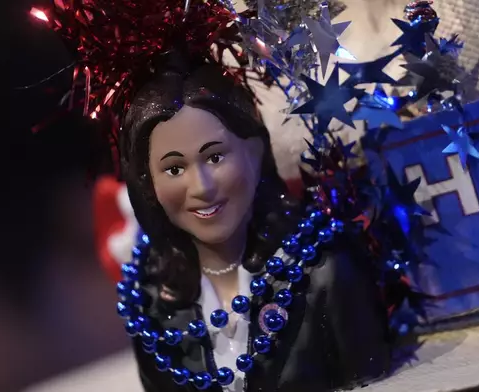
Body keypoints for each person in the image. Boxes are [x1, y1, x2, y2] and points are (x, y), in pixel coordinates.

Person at [117, 50, 391, 392]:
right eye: (174, 169)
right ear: (148, 185)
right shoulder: (150, 306)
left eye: (215, 157)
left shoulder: (325, 273)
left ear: (255, 150)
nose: (201, 187)